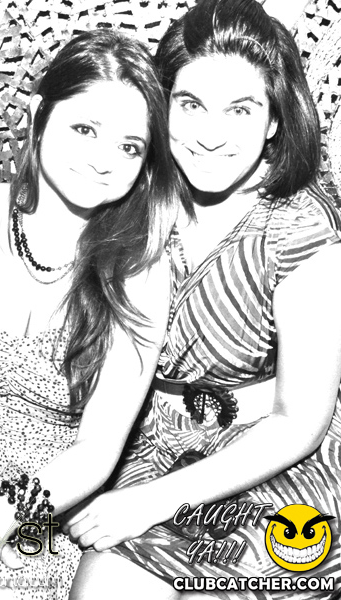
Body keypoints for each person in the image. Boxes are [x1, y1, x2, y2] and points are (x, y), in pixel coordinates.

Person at [67, 1, 341, 598]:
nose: (210, 136)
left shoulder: (300, 225)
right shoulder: (132, 191)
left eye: (240, 110)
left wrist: (153, 502)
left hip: (272, 463)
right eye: (190, 105)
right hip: (147, 450)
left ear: (275, 120)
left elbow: (299, 422)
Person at [0, 29, 182, 599]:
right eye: (84, 129)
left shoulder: (141, 270)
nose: (102, 161)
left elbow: (96, 451)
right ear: (37, 116)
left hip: (39, 504)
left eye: (129, 147)